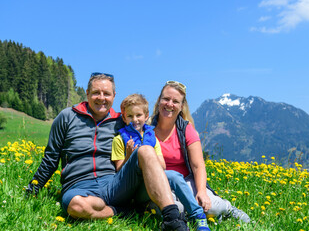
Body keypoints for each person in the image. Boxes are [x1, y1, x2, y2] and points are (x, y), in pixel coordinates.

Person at [26, 73, 189, 231]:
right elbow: (51, 158)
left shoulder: (122, 120)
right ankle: (124, 212)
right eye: (96, 92)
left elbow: (148, 124)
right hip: (78, 185)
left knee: (145, 150)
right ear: (87, 93)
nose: (101, 98)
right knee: (76, 205)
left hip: (114, 183)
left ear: (114, 96)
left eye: (107, 93)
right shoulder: (67, 117)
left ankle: (172, 218)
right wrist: (33, 188)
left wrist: (183, 127)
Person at [150, 81, 250, 223]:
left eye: (175, 101)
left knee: (209, 207)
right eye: (166, 99)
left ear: (181, 107)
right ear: (159, 100)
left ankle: (226, 207)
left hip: (187, 181)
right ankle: (201, 216)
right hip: (160, 182)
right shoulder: (147, 128)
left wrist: (202, 192)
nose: (169, 104)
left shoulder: (186, 129)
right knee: (172, 210)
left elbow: (198, 165)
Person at [111, 93, 210, 231]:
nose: (135, 120)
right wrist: (129, 155)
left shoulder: (152, 138)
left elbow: (162, 166)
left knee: (175, 176)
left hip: (150, 184)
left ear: (146, 117)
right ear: (124, 118)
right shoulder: (119, 140)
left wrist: (148, 155)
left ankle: (198, 216)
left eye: (139, 115)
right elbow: (119, 172)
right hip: (134, 190)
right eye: (130, 116)